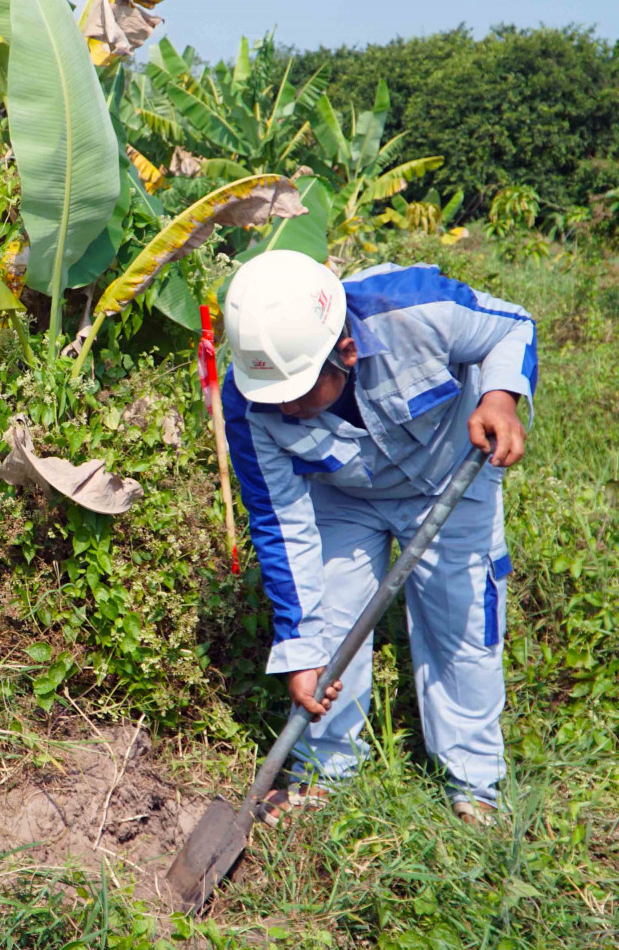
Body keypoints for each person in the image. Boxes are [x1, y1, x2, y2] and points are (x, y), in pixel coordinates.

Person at [220, 250, 535, 825]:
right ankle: (323, 774)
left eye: (297, 393)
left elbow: (512, 327)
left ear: (345, 351)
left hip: (451, 481)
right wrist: (299, 650)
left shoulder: (415, 309)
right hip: (344, 498)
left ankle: (475, 785)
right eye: (273, 397)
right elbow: (282, 524)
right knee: (331, 626)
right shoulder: (250, 400)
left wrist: (499, 398)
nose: (284, 408)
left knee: (462, 628)